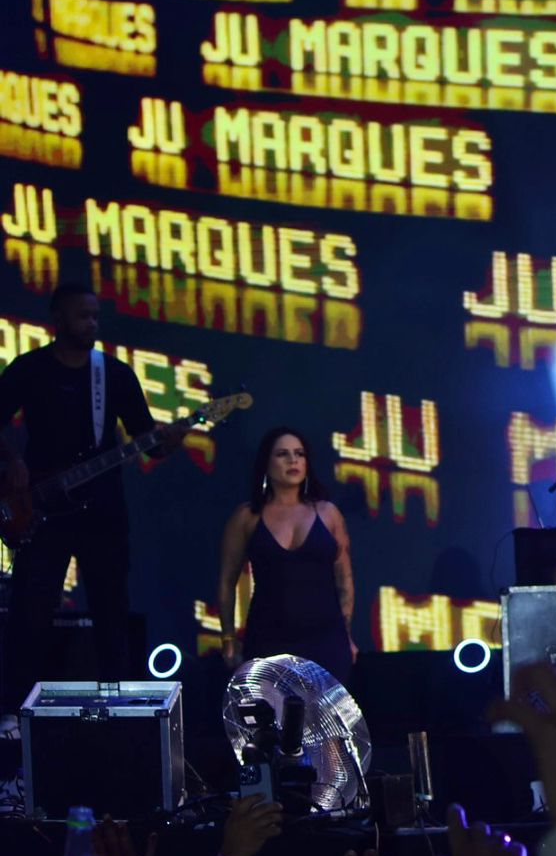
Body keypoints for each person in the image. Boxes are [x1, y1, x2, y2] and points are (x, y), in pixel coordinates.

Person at [0, 283, 187, 732]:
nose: (92, 324)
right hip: (42, 509)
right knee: (30, 612)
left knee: (111, 611)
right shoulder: (30, 369)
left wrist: (171, 440)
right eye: (83, 316)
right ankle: (15, 714)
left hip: (102, 511)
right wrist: (12, 462)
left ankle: (117, 717)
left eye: (96, 316)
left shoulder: (114, 375)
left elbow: (148, 441)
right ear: (59, 320)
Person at [217, 427, 357, 681]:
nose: (293, 460)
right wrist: (228, 637)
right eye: (283, 454)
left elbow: (344, 580)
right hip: (268, 638)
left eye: (299, 454)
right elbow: (227, 581)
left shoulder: (328, 513)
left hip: (326, 639)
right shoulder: (247, 517)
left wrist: (346, 634)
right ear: (266, 463)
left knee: (326, 706)